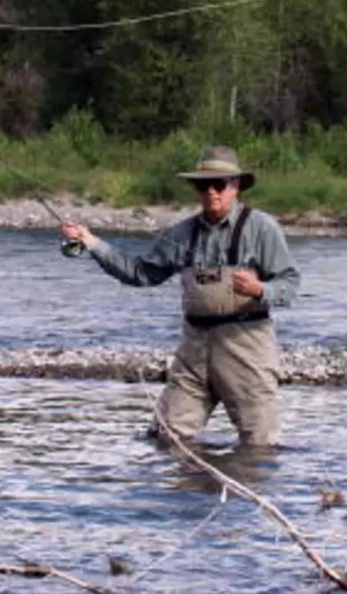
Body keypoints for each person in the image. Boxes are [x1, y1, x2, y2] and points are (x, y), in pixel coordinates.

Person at [61, 146, 300, 447]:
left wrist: (261, 290)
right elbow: (140, 274)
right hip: (193, 350)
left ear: (236, 186)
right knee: (165, 440)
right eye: (203, 185)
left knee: (260, 446)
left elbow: (290, 283)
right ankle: (185, 494)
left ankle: (242, 491)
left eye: (219, 185)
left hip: (247, 348)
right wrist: (92, 243)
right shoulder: (181, 234)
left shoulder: (262, 228)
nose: (211, 192)